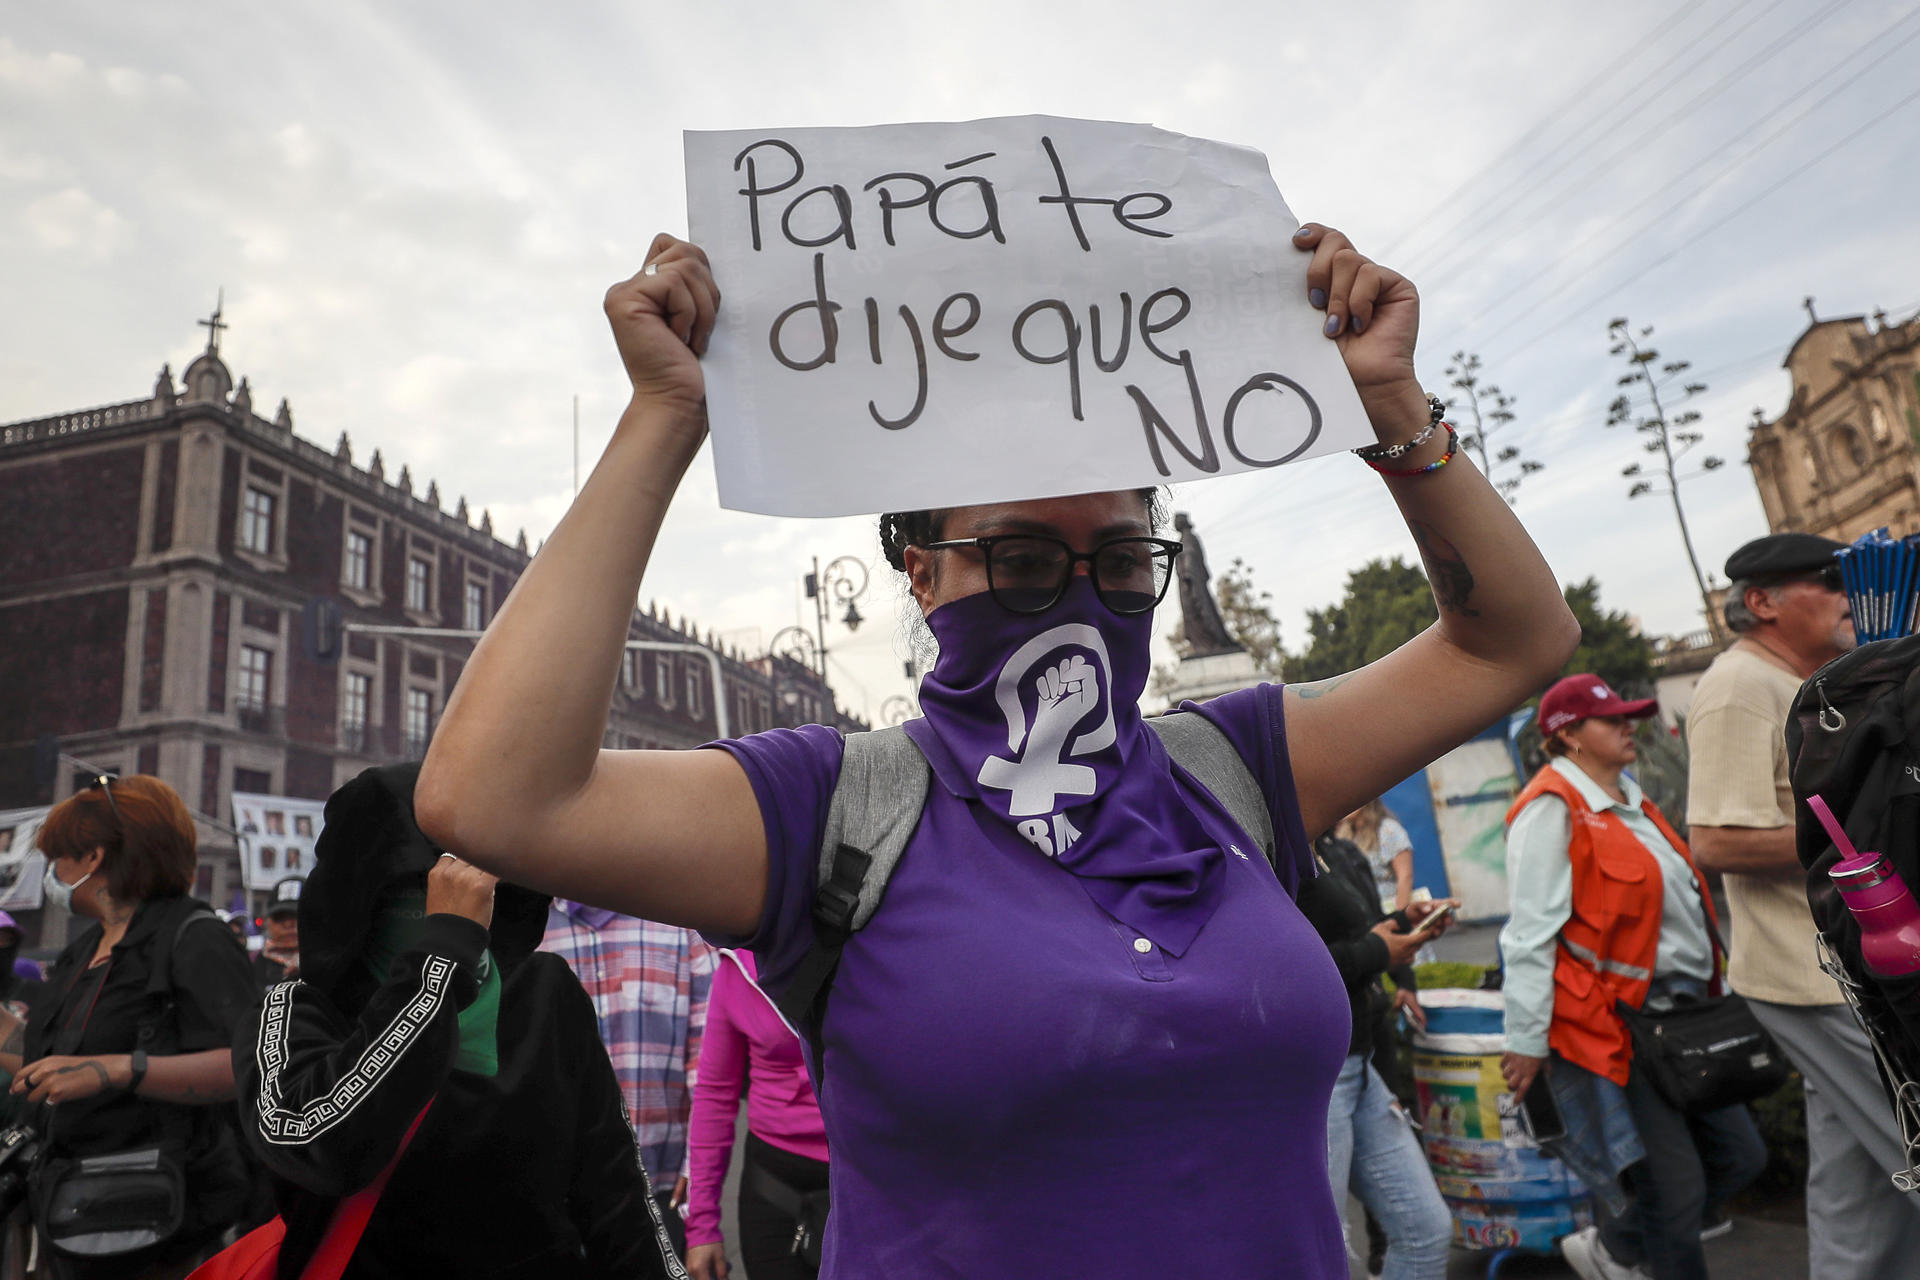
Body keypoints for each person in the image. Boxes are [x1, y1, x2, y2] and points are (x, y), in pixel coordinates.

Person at [414, 223, 1580, 1278]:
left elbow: (1517, 641)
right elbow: (494, 795)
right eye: (1019, 557)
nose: (1077, 596)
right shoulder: (834, 807)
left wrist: (1388, 405)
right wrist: (665, 413)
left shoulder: (1236, 766)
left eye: (1119, 560)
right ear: (921, 572)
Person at [232, 763, 683, 1278]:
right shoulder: (295, 1010)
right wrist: (441, 957)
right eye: (417, 896)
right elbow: (321, 1146)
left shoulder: (543, 992)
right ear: (360, 899)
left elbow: (617, 1198)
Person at [1685, 532, 1920, 1277]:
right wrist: (1866, 843)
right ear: (1762, 602)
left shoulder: (1815, 678)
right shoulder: (1739, 686)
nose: (1853, 594)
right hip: (1816, 975)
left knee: (1864, 1198)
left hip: (1842, 966)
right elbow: (1714, 841)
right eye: (1831, 580)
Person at [1501, 676, 1766, 1280]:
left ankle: (1615, 1249)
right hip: (1623, 1024)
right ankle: (1631, 1251)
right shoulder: (1552, 806)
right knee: (1675, 1191)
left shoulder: (1631, 801)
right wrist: (1526, 1038)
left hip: (1685, 1017)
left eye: (1630, 715)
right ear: (1568, 735)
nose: (1630, 726)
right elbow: (1529, 935)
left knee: (1740, 1158)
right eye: (1612, 718)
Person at [0, 775, 258, 1278]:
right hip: (75, 1213)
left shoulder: (196, 937)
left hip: (157, 1222)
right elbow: (43, 1062)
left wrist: (119, 1069)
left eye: (58, 857)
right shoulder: (82, 951)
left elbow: (247, 1065)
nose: (52, 872)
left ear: (93, 858)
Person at [1299, 826, 1456, 1279]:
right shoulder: (1267, 852)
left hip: (1363, 1062)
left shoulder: (1332, 849)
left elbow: (1361, 931)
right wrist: (1374, 952)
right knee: (1324, 1250)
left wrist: (1406, 923)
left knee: (1426, 1231)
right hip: (1318, 1077)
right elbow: (1277, 968)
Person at [541, 902, 715, 1260]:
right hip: (552, 1188)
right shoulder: (526, 927)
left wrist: (697, 1164)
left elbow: (709, 1059)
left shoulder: (680, 925)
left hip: (660, 1182)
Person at [685, 950, 828, 1280]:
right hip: (774, 1188)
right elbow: (715, 1095)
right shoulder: (737, 968)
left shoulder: (877, 948)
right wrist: (702, 1224)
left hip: (869, 1178)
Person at [1339, 798, 1417, 913]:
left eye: (1350, 798)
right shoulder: (1343, 835)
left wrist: (1400, 917)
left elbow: (1405, 877)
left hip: (1389, 911)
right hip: (1364, 915)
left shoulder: (1388, 830)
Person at [252, 877, 302, 988]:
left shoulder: (331, 963)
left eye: (297, 915)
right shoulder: (258, 964)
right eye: (280, 917)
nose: (288, 924)